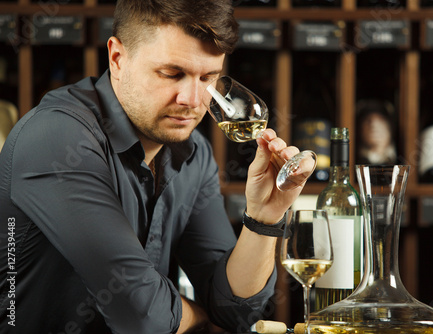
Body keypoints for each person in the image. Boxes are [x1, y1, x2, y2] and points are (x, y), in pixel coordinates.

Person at [0, 0, 303, 333]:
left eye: (208, 78)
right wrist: (203, 317)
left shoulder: (194, 152)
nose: (192, 99)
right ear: (117, 58)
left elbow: (237, 313)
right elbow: (142, 316)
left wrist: (263, 218)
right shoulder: (57, 138)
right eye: (172, 74)